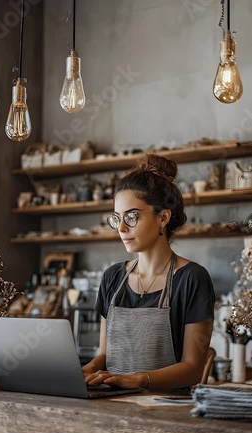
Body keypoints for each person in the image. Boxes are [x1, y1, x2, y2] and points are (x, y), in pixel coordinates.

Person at [83, 154, 215, 391]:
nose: (122, 228)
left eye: (132, 217)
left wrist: (137, 379)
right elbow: (104, 355)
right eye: (117, 219)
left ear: (163, 217)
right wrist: (85, 370)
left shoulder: (192, 278)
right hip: (110, 405)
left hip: (167, 412)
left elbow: (193, 369)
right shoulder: (112, 277)